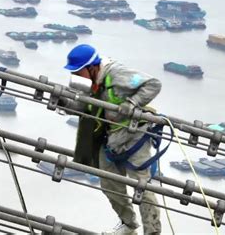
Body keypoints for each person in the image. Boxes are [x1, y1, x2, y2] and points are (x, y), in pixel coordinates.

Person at [61, 44, 162, 234]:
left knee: (142, 186)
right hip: (112, 137)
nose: (75, 76)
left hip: (135, 135)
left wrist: (132, 102)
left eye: (78, 71)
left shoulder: (116, 74)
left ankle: (152, 231)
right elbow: (83, 106)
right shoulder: (90, 83)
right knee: (108, 183)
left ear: (91, 67)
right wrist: (64, 103)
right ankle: (128, 224)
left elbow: (154, 84)